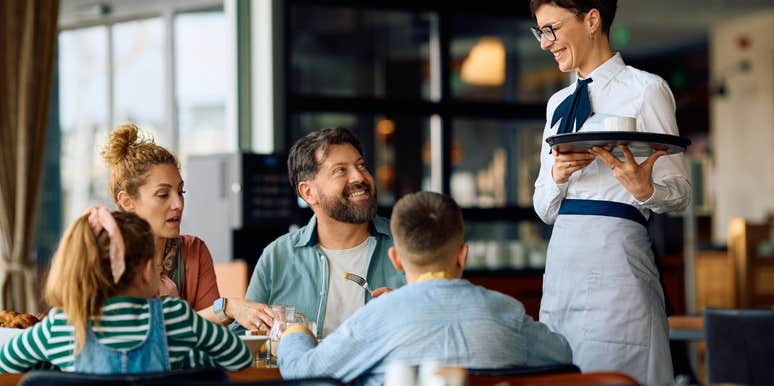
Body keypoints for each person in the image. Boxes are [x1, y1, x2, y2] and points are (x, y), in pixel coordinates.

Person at [530, 1, 691, 384]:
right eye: (540, 32)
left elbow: (682, 192)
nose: (544, 43)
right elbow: (542, 207)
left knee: (621, 372)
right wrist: (556, 175)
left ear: (591, 20)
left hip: (618, 262)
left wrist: (646, 189)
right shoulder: (558, 104)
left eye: (551, 29)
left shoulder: (646, 89)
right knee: (562, 370)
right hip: (561, 268)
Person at [276, 191, 572, 385]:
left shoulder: (379, 316)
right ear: (462, 255)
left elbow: (305, 373)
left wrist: (295, 332)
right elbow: (562, 356)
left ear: (396, 260)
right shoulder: (506, 310)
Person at [0, 208, 252, 373]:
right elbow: (240, 357)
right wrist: (190, 361)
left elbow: (5, 362)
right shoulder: (174, 316)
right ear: (145, 271)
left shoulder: (60, 325)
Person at [102, 123, 273, 329]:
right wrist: (226, 308)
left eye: (180, 192)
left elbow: (212, 336)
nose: (178, 204)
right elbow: (128, 333)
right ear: (127, 202)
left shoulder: (194, 251)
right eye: (163, 194)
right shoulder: (104, 256)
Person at [240, 128, 405, 337]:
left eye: (361, 165)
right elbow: (245, 339)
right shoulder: (277, 257)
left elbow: (443, 324)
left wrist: (405, 312)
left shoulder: (407, 243)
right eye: (340, 170)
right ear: (308, 192)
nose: (358, 177)